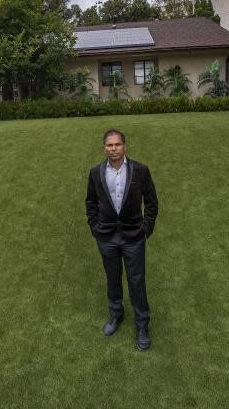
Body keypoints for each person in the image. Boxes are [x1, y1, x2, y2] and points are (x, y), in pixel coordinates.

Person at [85, 129, 158, 351]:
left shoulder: (140, 171)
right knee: (113, 279)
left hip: (134, 237)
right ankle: (116, 314)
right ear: (104, 148)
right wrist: (95, 228)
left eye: (117, 145)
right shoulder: (96, 173)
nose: (113, 149)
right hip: (106, 237)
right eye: (109, 145)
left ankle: (142, 325)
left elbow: (152, 203)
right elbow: (91, 203)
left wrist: (145, 229)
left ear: (125, 146)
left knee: (137, 281)